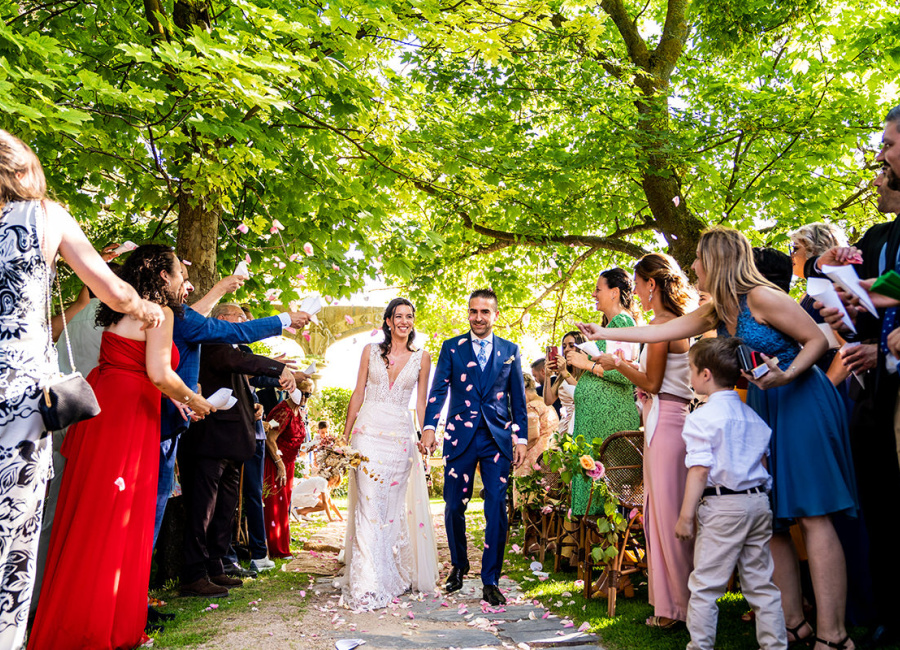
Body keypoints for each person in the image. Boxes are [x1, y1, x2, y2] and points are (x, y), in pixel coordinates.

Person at [578, 228, 858, 650]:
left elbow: (817, 340)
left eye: (697, 261)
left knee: (813, 514)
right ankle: (793, 624)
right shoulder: (717, 312)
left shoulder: (763, 298)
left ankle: (833, 636)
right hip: (765, 406)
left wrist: (786, 374)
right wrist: (601, 336)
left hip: (800, 399)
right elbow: (659, 332)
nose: (691, 268)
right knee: (777, 519)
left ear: (717, 261)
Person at [0, 130, 163, 648]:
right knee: (15, 527)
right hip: (19, 393)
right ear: (26, 171)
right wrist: (145, 308)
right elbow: (112, 290)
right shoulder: (46, 216)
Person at [29, 245, 213, 650]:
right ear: (163, 277)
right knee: (119, 518)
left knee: (90, 514)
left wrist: (175, 396)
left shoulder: (120, 311)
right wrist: (196, 400)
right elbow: (160, 374)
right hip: (129, 415)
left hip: (105, 407)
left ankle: (75, 618)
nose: (185, 278)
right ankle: (101, 627)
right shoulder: (157, 313)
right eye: (180, 271)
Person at [811, 160, 900, 647]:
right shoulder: (874, 237)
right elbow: (853, 316)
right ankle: (886, 612)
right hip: (872, 394)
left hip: (893, 370)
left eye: (885, 161)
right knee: (880, 504)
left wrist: (880, 346)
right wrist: (832, 272)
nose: (877, 176)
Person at [598, 253, 695, 628]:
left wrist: (618, 364)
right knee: (661, 514)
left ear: (650, 285)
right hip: (667, 419)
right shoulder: (673, 322)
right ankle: (674, 603)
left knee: (666, 516)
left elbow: (652, 384)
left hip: (666, 423)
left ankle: (677, 609)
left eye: (637, 284)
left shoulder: (663, 325)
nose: (634, 292)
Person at [675, 337, 787, 650]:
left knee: (705, 585)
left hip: (724, 505)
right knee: (761, 583)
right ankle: (775, 646)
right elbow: (763, 463)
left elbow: (698, 469)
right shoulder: (755, 417)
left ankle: (700, 646)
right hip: (758, 502)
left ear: (706, 375)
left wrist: (686, 517)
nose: (690, 376)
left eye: (691, 370)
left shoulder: (701, 419)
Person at [177, 303, 295, 598]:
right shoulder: (213, 342)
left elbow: (241, 378)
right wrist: (279, 367)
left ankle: (216, 565)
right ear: (221, 320)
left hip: (232, 443)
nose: (243, 321)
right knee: (202, 510)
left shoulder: (230, 346)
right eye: (238, 317)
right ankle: (194, 573)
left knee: (225, 510)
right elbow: (241, 362)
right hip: (209, 440)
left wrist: (253, 404)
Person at [421, 289, 528, 606]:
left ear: (495, 315)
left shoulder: (510, 350)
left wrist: (520, 438)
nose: (478, 317)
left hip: (496, 438)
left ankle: (491, 579)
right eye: (473, 311)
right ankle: (459, 564)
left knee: (496, 506)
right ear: (468, 314)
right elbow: (438, 390)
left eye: (485, 312)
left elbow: (517, 400)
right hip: (459, 437)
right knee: (454, 505)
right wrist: (429, 427)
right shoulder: (451, 348)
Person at [340, 298, 439, 610]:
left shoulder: (422, 358)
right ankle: (366, 583)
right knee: (369, 506)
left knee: (390, 512)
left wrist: (427, 431)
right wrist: (345, 436)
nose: (404, 322)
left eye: (409, 316)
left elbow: (421, 403)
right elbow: (358, 393)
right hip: (367, 434)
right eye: (398, 316)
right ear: (387, 321)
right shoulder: (369, 352)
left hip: (399, 438)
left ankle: (388, 575)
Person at [565, 268, 641, 515]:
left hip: (610, 422)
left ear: (615, 292)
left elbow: (624, 374)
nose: (594, 293)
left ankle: (605, 549)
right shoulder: (609, 326)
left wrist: (585, 363)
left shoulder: (624, 323)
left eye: (598, 289)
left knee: (606, 499)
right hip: (594, 423)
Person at [788, 224, 849, 383]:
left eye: (795, 249)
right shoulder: (808, 294)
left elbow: (848, 346)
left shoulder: (827, 288)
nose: (791, 256)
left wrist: (827, 389)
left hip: (833, 379)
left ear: (813, 250)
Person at [516, 373, 559, 551]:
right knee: (547, 500)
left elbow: (530, 436)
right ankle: (548, 538)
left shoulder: (531, 406)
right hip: (551, 458)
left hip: (535, 457)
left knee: (528, 497)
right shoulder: (546, 403)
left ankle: (532, 539)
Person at [263, 391, 308, 559]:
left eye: (309, 394)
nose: (305, 397)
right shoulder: (283, 411)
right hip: (277, 463)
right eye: (303, 392)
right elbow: (270, 438)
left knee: (284, 505)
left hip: (288, 463)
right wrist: (279, 463)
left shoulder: (298, 410)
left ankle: (282, 544)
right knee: (275, 504)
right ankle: (275, 548)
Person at [543, 331, 585, 434]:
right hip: (565, 423)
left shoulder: (587, 371)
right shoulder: (562, 374)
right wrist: (547, 376)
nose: (566, 350)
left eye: (571, 346)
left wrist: (564, 372)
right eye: (564, 346)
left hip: (581, 421)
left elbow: (584, 393)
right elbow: (548, 401)